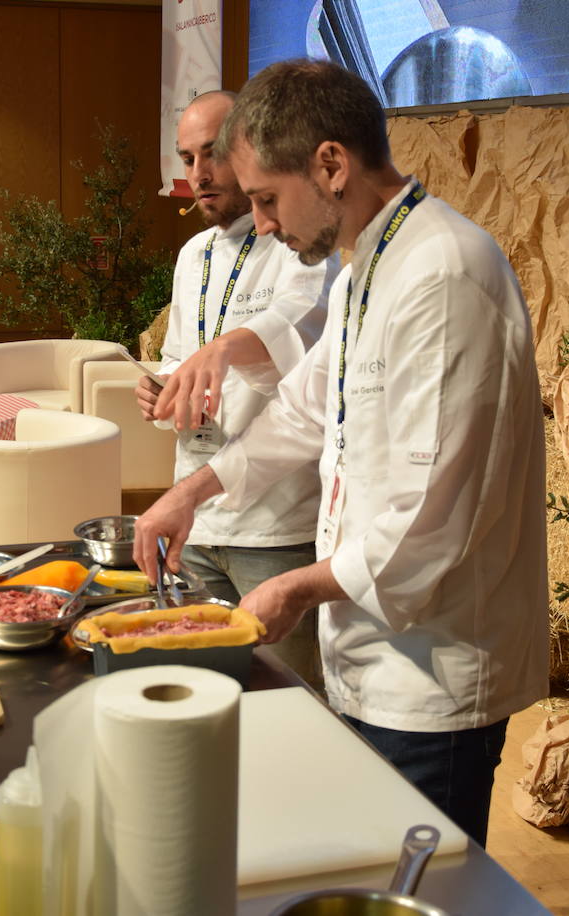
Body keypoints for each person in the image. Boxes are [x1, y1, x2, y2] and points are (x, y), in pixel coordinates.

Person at [134, 60, 549, 847]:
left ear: (330, 165)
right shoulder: (369, 262)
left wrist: (292, 587)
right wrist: (193, 491)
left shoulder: (446, 273)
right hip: (367, 656)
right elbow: (304, 409)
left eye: (265, 199)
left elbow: (428, 522)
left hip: (433, 674)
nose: (259, 224)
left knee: (421, 889)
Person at [138, 89, 337, 689]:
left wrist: (223, 349)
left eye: (211, 155)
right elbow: (179, 359)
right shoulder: (192, 254)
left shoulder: (298, 239)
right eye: (187, 158)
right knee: (205, 689)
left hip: (275, 528)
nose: (198, 175)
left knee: (287, 699)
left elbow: (299, 330)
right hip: (194, 513)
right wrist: (161, 389)